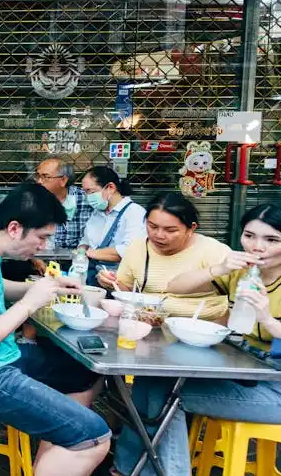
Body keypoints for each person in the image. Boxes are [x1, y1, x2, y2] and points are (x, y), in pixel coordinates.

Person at [0, 183, 110, 476]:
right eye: (41, 238)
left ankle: (59, 447)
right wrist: (29, 303)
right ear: (15, 228)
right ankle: (72, 443)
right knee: (94, 438)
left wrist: (39, 287)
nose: (43, 247)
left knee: (83, 373)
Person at [113, 203, 281, 476]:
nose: (257, 247)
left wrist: (268, 320)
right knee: (149, 379)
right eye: (249, 236)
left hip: (275, 389)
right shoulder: (242, 272)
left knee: (168, 397)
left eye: (271, 240)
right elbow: (176, 286)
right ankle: (127, 468)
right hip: (248, 369)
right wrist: (219, 268)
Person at [97, 192, 231, 319]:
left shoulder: (213, 251)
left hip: (204, 329)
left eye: (170, 230)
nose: (159, 235)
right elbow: (127, 292)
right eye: (152, 226)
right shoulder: (137, 248)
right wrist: (110, 282)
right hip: (149, 324)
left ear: (191, 229)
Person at [78, 166, 146, 286]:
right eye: (85, 192)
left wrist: (88, 253)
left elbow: (129, 251)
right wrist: (81, 250)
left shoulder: (134, 213)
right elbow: (86, 241)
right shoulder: (97, 213)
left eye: (90, 191)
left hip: (118, 282)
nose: (87, 196)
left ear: (110, 187)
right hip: (94, 277)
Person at [34, 157, 92, 249]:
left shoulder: (86, 198)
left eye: (45, 177)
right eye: (38, 176)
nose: (39, 181)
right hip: (43, 257)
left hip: (81, 258)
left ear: (63, 180)